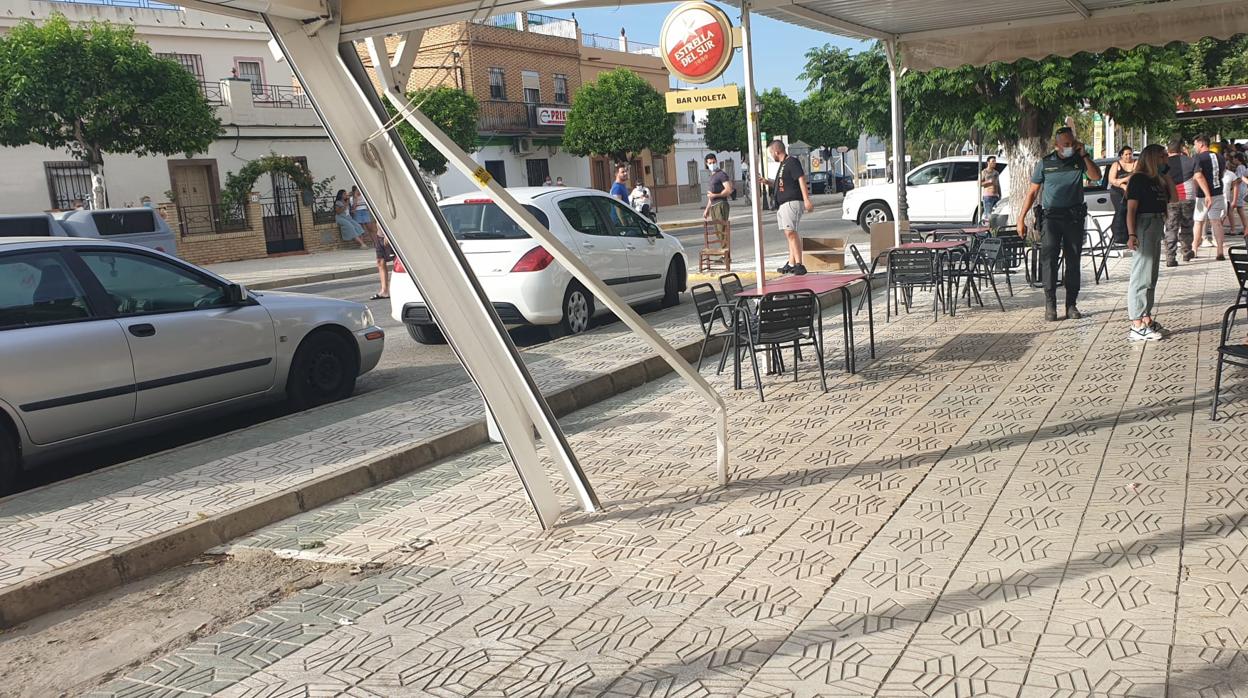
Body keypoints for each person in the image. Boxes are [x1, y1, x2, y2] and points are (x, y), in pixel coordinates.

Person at [1019, 127, 1102, 322]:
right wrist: (1020, 218)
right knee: (1049, 261)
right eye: (1066, 144)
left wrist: (1084, 154)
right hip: (1051, 219)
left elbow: (1096, 176)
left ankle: (1071, 304)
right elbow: (1032, 193)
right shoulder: (1046, 163)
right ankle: (1050, 305)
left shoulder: (1079, 160)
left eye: (1072, 143)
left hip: (1073, 218)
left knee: (1073, 262)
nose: (1070, 147)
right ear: (1056, 145)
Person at [1125, 144, 1176, 342]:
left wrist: (1167, 175)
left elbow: (1175, 198)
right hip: (1144, 224)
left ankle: (1146, 317)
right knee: (1141, 276)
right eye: (1163, 157)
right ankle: (1136, 323)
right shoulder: (1138, 179)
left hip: (1156, 222)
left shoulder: (1157, 179)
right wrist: (1131, 234)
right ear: (1154, 158)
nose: (1166, 160)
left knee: (1151, 275)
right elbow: (1131, 209)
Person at [757, 140, 815, 276]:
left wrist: (807, 199)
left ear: (777, 151)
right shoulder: (783, 165)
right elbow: (781, 184)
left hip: (792, 201)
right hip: (783, 204)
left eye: (771, 153)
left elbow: (801, 179)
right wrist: (767, 182)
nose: (771, 156)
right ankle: (791, 263)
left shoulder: (792, 162)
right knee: (788, 233)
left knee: (791, 232)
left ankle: (799, 264)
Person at [1190, 134, 1229, 260]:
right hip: (1218, 192)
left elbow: (1198, 176)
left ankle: (1194, 249)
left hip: (1203, 196)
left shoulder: (1198, 158)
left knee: (1198, 221)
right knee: (1216, 223)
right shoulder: (1219, 157)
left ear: (1201, 144)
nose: (1194, 147)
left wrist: (1206, 194)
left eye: (1195, 144)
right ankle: (1219, 251)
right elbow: (1222, 173)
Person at [1164, 137, 1197, 267]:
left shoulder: (1164, 163)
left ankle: (1170, 257)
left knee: (1171, 228)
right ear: (1181, 148)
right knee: (1187, 226)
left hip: (1170, 199)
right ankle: (1186, 251)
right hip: (1187, 197)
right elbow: (1198, 177)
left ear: (1168, 149)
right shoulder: (1190, 161)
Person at [703, 153, 734, 244]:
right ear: (706, 164)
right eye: (710, 163)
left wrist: (716, 195)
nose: (712, 164)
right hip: (714, 206)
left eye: (714, 162)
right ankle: (724, 253)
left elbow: (728, 190)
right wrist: (707, 209)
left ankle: (726, 255)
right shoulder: (712, 177)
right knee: (718, 231)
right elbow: (710, 196)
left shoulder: (721, 174)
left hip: (721, 205)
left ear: (716, 161)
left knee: (722, 231)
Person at [1107, 146, 1136, 244]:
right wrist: (1123, 184)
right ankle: (1119, 235)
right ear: (1121, 155)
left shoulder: (1136, 163)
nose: (1128, 156)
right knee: (1121, 209)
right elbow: (1111, 180)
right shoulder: (1116, 164)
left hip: (1132, 191)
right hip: (1117, 192)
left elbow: (1135, 176)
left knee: (1131, 211)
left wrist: (1122, 180)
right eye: (1126, 154)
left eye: (1130, 154)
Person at [372, 228, 394, 300]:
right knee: (380, 261)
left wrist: (388, 234)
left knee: (397, 261)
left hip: (390, 234)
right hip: (379, 235)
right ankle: (384, 291)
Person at [980, 156, 1001, 225]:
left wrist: (1000, 194)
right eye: (992, 162)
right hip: (988, 196)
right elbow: (979, 183)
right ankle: (987, 231)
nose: (994, 163)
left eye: (995, 162)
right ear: (988, 162)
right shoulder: (984, 172)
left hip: (996, 196)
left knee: (996, 215)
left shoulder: (996, 173)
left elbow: (998, 184)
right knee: (988, 215)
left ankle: (993, 230)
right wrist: (988, 181)